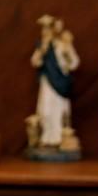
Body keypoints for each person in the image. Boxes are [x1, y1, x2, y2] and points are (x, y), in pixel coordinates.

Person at [30, 15, 80, 147]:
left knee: (58, 111)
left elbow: (74, 63)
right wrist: (42, 50)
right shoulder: (43, 46)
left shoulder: (62, 45)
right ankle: (46, 139)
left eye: (47, 29)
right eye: (43, 29)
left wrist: (68, 50)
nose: (45, 32)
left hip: (60, 82)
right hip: (48, 82)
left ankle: (58, 140)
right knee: (45, 111)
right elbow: (35, 62)